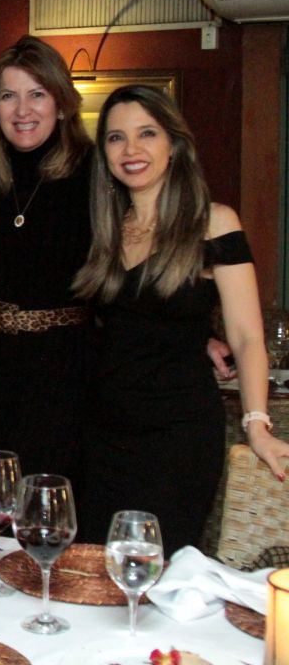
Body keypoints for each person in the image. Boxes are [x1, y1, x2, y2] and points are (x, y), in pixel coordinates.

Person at [73, 85, 289, 552]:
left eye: (147, 133)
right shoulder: (104, 229)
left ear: (174, 143)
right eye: (115, 138)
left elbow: (247, 336)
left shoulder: (214, 223)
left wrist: (256, 423)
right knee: (93, 572)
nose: (131, 149)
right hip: (103, 433)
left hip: (177, 438)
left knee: (160, 574)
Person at [0, 36, 96, 529]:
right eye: (8, 96)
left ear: (61, 102)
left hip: (61, 370)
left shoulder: (95, 173)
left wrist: (201, 332)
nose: (23, 110)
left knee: (45, 515)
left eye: (37, 94)